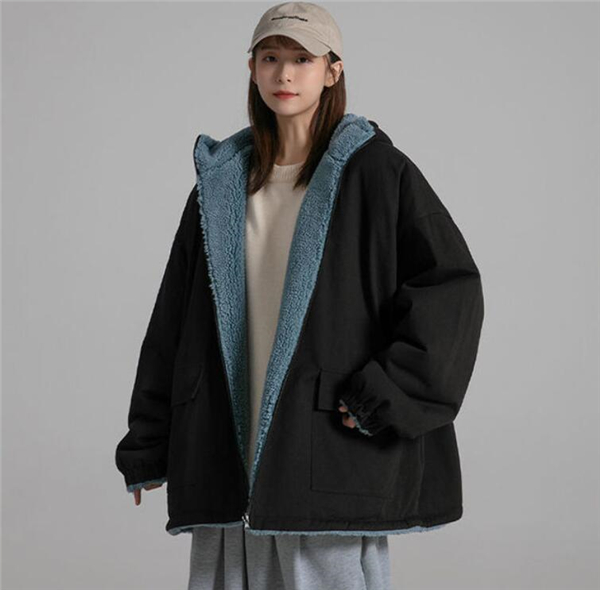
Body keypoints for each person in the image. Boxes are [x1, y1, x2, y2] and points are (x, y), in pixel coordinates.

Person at [115, 2, 485, 589]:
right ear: (252, 69)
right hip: (225, 447)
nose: (284, 74)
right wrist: (149, 442)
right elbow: (174, 321)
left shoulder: (376, 173)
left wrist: (383, 395)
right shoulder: (220, 187)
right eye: (270, 58)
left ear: (332, 71)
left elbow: (451, 289)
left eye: (302, 59)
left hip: (329, 444)